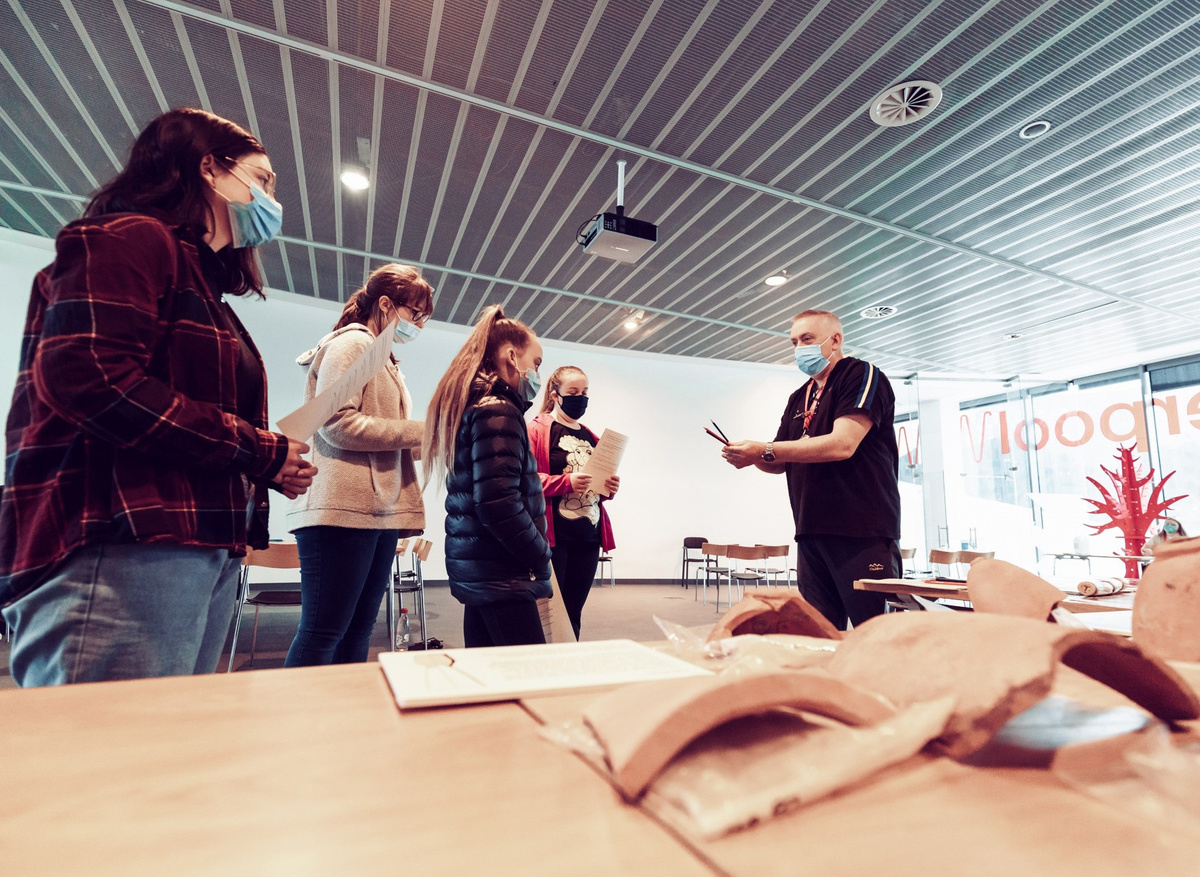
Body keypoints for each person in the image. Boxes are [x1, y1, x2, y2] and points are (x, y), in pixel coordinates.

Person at [0, 108, 316, 686]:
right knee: (105, 762)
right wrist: (256, 449)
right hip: (123, 543)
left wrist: (268, 458)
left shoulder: (204, 284)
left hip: (193, 545)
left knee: (160, 755)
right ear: (211, 170)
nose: (270, 198)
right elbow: (93, 378)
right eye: (262, 179)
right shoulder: (131, 238)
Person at [284, 264, 433, 665]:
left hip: (374, 512)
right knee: (323, 632)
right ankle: (294, 727)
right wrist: (423, 431)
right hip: (341, 510)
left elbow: (387, 434)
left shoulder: (381, 355)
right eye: (415, 314)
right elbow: (337, 424)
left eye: (424, 318)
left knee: (357, 631)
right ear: (385, 304)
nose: (419, 324)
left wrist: (438, 440)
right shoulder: (355, 345)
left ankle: (343, 722)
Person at [721, 309, 900, 630]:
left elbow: (842, 444)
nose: (799, 349)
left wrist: (764, 448)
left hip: (861, 531)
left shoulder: (861, 375)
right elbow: (780, 462)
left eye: (807, 339)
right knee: (820, 633)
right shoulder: (798, 397)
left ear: (835, 340)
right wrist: (750, 456)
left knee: (874, 633)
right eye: (794, 342)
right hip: (811, 531)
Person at [423, 305, 551, 648]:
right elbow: (498, 503)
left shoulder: (478, 404)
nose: (538, 373)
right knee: (527, 681)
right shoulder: (498, 409)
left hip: (485, 572)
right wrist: (540, 554)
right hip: (503, 573)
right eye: (536, 363)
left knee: (489, 679)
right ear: (512, 356)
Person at [528, 366, 618, 639]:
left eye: (585, 392)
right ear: (555, 395)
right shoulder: (537, 429)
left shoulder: (591, 436)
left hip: (588, 536)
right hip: (556, 538)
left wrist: (610, 488)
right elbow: (525, 480)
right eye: (573, 393)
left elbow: (598, 489)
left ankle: (569, 662)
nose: (581, 398)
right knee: (551, 612)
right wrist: (565, 482)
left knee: (574, 609)